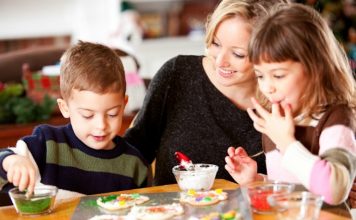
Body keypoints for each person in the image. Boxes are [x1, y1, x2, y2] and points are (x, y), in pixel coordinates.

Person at [124, 0, 289, 185]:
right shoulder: (177, 74)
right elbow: (134, 151)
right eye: (216, 43)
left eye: (238, 54)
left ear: (270, 54)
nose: (220, 61)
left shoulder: (284, 102)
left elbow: (295, 187)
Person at [225, 3, 356, 205]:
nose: (267, 87)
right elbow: (293, 188)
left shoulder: (336, 119)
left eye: (278, 75)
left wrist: (286, 142)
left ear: (316, 69)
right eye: (260, 75)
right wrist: (255, 180)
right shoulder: (277, 121)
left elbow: (334, 190)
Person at [0, 41, 148, 195]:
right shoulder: (47, 144)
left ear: (124, 105)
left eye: (112, 114)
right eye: (87, 115)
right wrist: (12, 161)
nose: (101, 125)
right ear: (65, 108)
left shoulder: (134, 165)